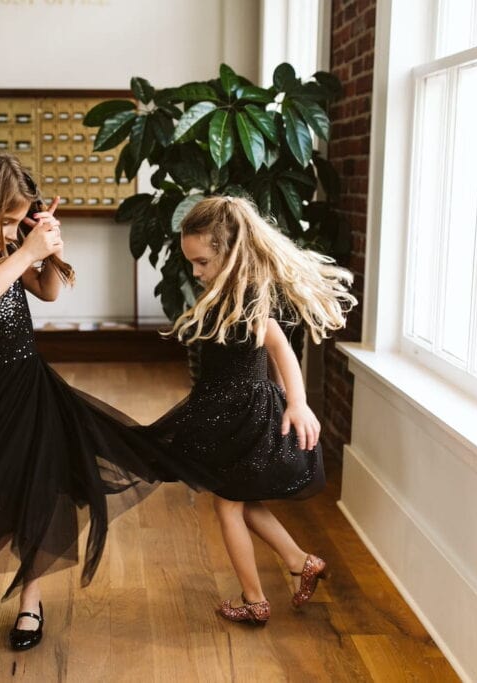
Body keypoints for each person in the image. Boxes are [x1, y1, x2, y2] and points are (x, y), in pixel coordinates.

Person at [0, 151, 209, 651]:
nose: (9, 232)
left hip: (30, 386)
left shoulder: (10, 249)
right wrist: (24, 251)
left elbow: (49, 291)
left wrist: (51, 248)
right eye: (4, 221)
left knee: (45, 489)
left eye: (17, 222)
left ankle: (30, 597)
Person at [147, 195, 356, 625]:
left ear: (229, 252)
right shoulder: (229, 293)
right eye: (192, 263)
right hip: (229, 413)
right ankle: (300, 561)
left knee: (227, 506)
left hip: (242, 415)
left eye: (202, 262)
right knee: (242, 500)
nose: (196, 272)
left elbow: (280, 348)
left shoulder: (244, 297)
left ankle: (254, 599)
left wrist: (297, 403)